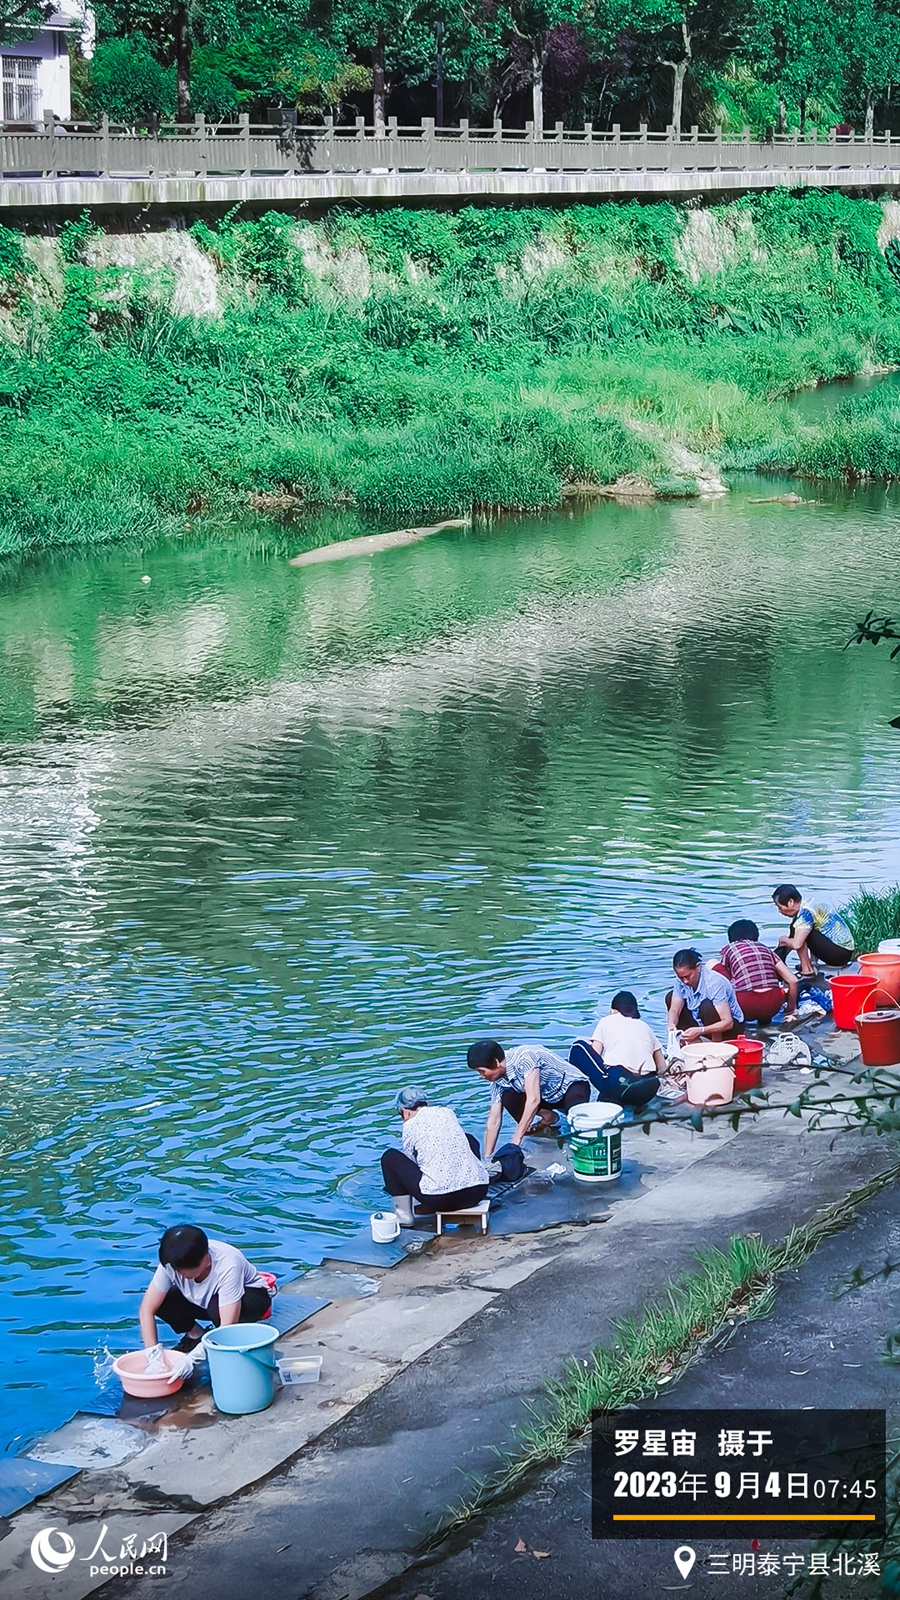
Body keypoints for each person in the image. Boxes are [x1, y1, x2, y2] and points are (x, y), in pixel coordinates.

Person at [139, 1225, 275, 1353]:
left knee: (215, 1307)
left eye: (184, 1270)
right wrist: (152, 1353)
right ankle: (195, 1335)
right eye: (176, 1270)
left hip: (250, 1299)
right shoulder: (172, 1262)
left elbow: (227, 1325)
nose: (179, 1275)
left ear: (206, 1260)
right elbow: (147, 1310)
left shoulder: (229, 1263)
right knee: (162, 1300)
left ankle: (220, 1344)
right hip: (206, 1301)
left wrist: (200, 1354)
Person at [381, 1086, 489, 1227]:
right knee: (468, 1139)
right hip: (478, 1192)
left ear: (405, 1112)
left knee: (390, 1157)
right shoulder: (447, 1112)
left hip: (441, 1200)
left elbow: (410, 1161)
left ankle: (404, 1216)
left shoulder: (410, 1124)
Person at [466, 1040, 590, 1159]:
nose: (481, 1076)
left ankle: (574, 1141)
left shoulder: (525, 1058)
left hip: (570, 1087)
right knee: (508, 1097)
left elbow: (534, 1100)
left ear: (496, 1062)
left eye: (482, 1071)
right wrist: (487, 1157)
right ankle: (548, 1120)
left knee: (577, 1121)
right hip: (545, 1096)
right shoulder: (497, 1081)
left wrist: (515, 1141)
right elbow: (494, 1120)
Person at [567, 992, 663, 1107]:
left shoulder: (606, 1020)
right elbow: (662, 1067)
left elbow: (595, 1055)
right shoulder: (645, 1027)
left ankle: (577, 1101)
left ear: (612, 1010)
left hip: (620, 1083)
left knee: (578, 1047)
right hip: (649, 1086)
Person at [717, 918, 799, 1024]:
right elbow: (793, 980)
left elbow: (722, 980)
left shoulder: (729, 949)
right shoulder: (765, 949)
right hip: (773, 1004)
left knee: (713, 964)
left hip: (746, 1004)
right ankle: (764, 1022)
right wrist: (790, 1009)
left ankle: (734, 1024)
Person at [772, 884, 855, 973]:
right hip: (844, 952)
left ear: (790, 902)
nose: (779, 911)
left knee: (799, 931)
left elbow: (797, 944)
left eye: (780, 907)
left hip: (838, 954)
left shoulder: (805, 913)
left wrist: (784, 940)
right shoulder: (809, 904)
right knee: (800, 928)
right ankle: (811, 963)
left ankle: (806, 970)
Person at [666, 948, 743, 1042]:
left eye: (688, 976)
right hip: (700, 1023)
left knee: (707, 1006)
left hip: (728, 1028)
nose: (685, 981)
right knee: (670, 997)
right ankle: (688, 1038)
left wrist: (701, 1030)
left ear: (698, 967)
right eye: (681, 977)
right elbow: (675, 1009)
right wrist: (671, 1024)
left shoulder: (714, 983)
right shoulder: (680, 982)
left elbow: (728, 1022)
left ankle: (716, 1044)